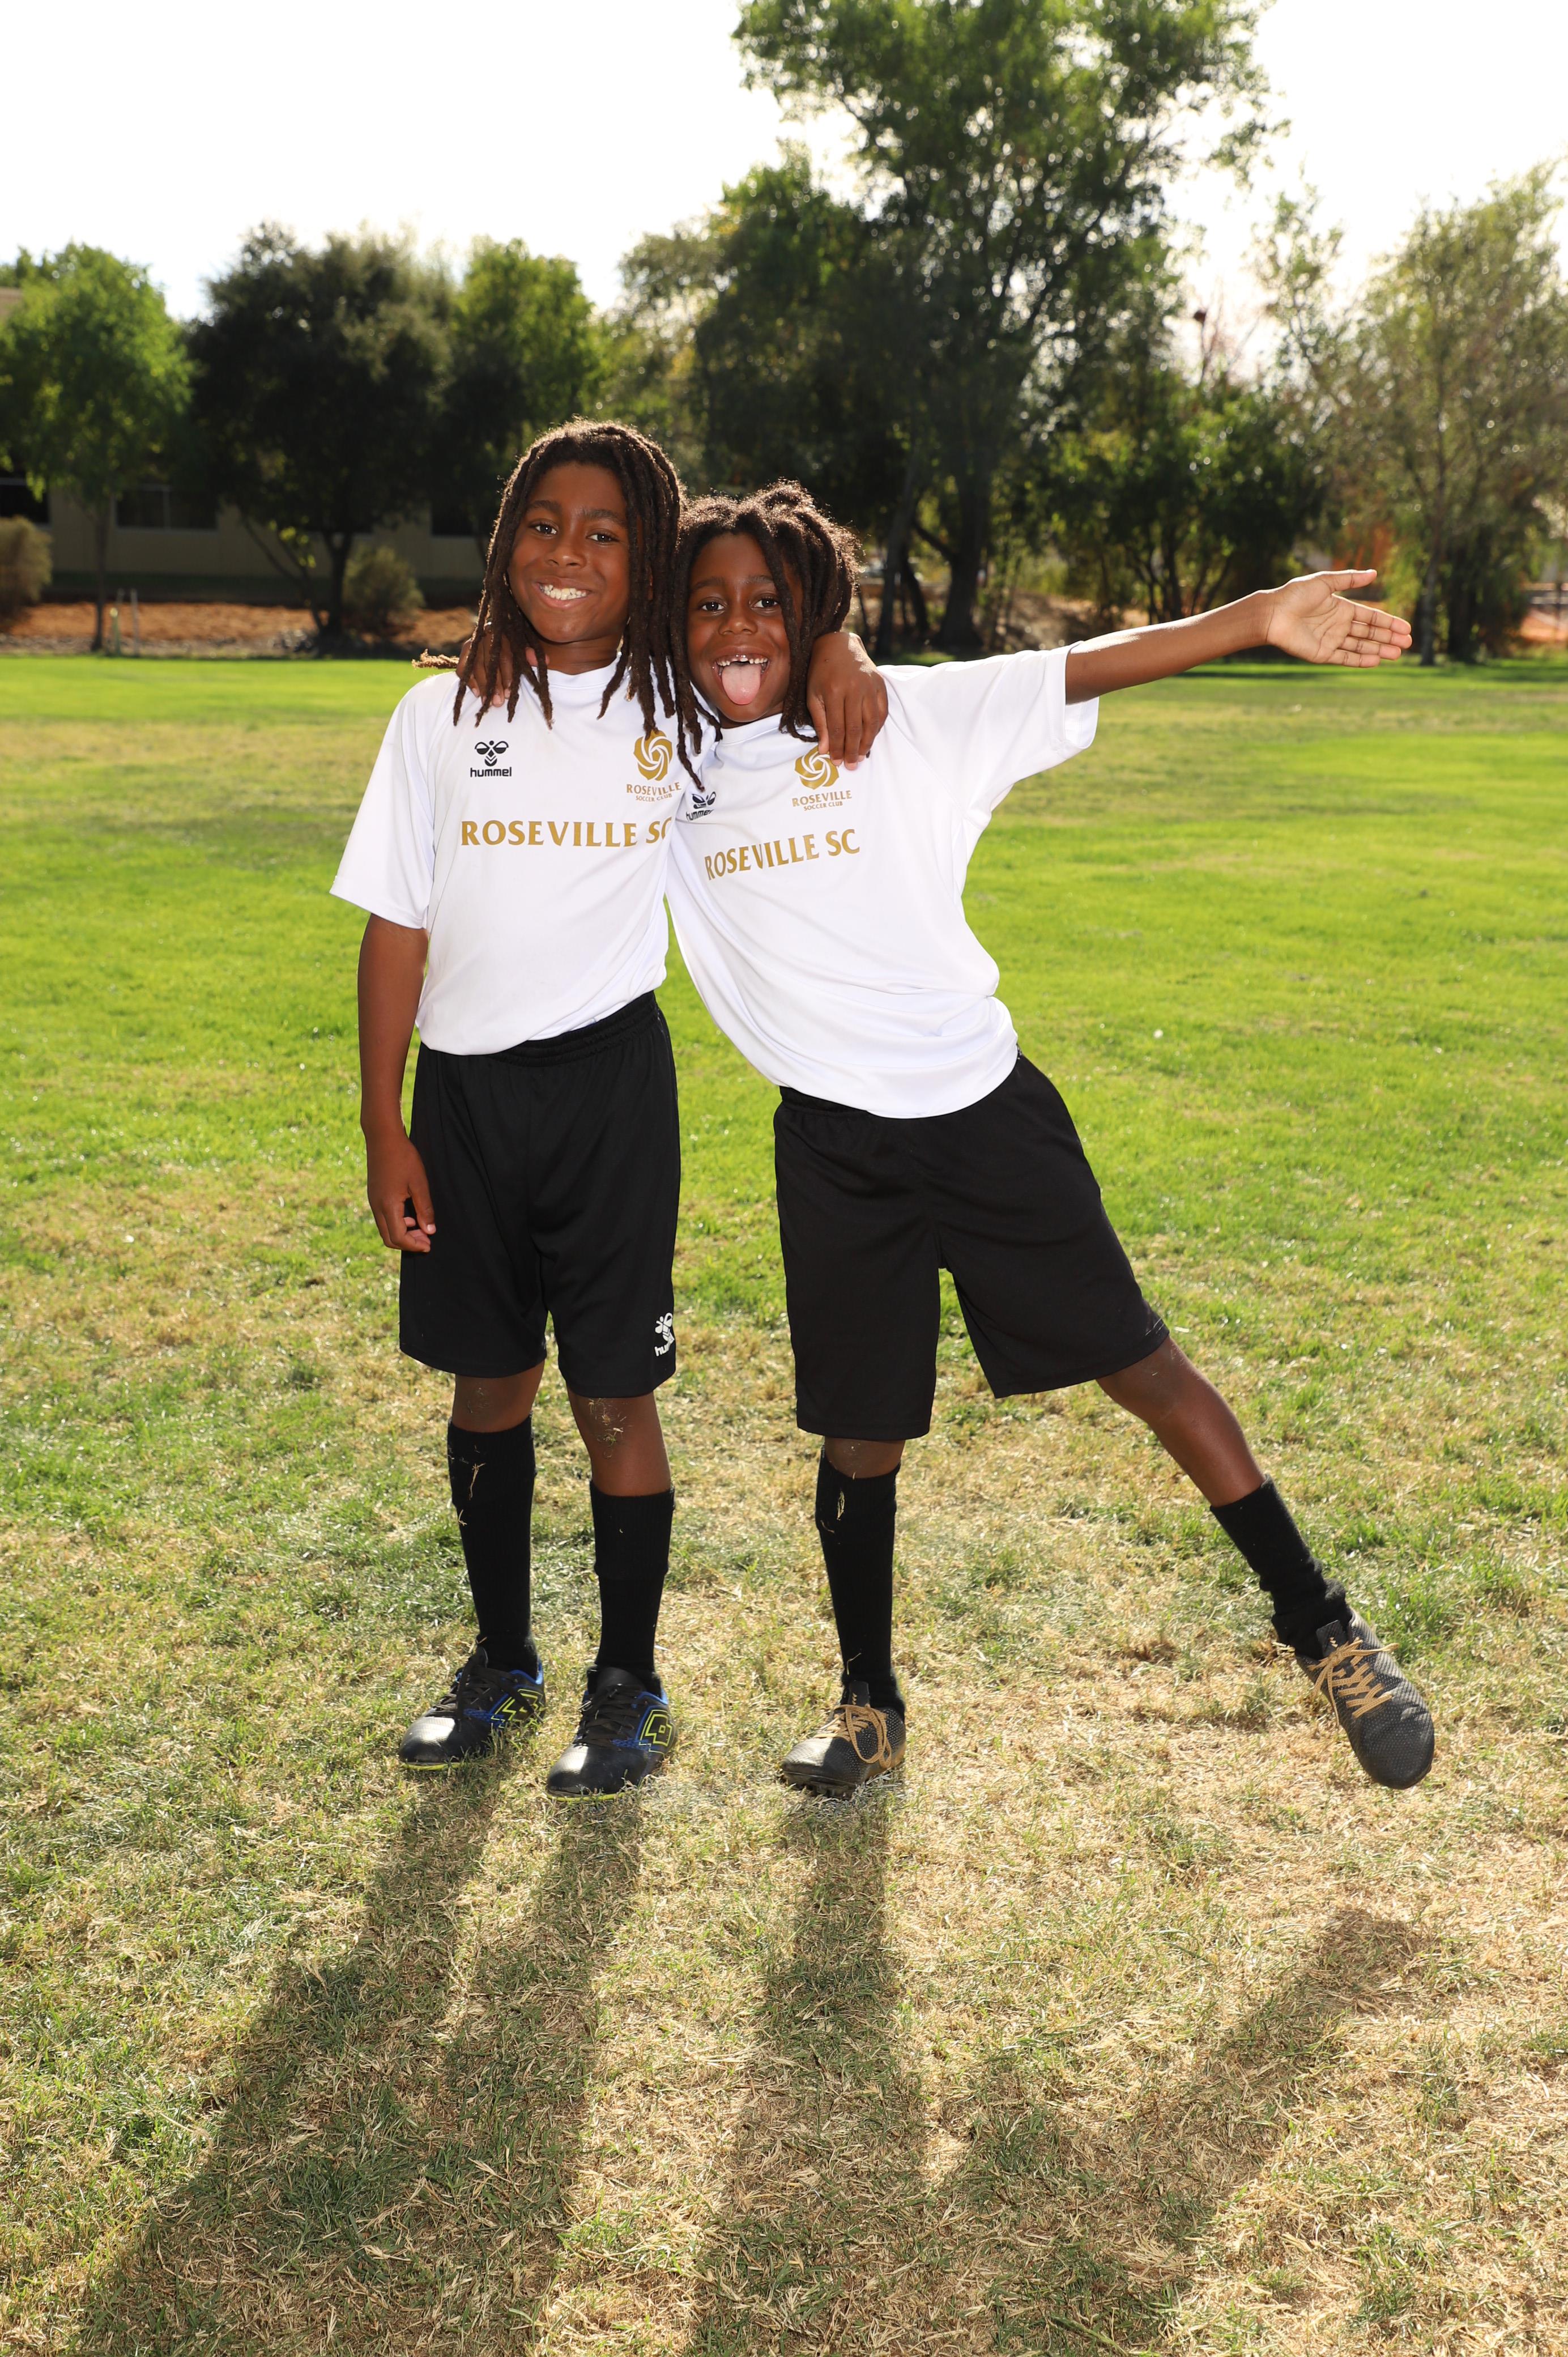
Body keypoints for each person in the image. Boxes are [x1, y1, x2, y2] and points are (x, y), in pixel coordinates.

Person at [661, 479, 1436, 1801]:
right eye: (710, 605)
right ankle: (868, 1702)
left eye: (772, 604)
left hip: (982, 1116)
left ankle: (1326, 1631)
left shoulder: (906, 718)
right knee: (858, 1431)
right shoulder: (662, 765)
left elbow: (1091, 664)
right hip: (836, 1150)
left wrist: (1259, 616)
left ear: (814, 607)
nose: (739, 627)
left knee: (1144, 1368)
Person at [330, 427, 884, 1794]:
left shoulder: (679, 713)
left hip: (609, 1096)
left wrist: (837, 642)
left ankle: (626, 1683)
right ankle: (500, 1660)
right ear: (503, 540)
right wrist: (385, 1126)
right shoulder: (438, 717)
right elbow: (396, 927)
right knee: (487, 1384)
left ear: (646, 560)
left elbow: (766, 631)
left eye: (603, 532)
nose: (566, 552)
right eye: (541, 523)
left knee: (613, 1396)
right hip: (463, 1100)